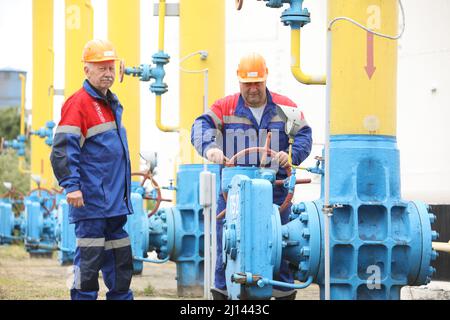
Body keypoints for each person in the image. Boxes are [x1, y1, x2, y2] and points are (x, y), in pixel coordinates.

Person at [191, 52, 312, 300]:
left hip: (276, 195)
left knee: (280, 245)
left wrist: (291, 155)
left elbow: (304, 134)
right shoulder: (224, 107)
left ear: (266, 79)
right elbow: (200, 126)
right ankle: (225, 293)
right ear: (239, 82)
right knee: (229, 244)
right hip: (233, 196)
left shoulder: (284, 107)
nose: (253, 88)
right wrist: (211, 149)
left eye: (258, 82)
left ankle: (281, 293)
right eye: (248, 83)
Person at [50, 39, 134, 300]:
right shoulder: (79, 103)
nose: (108, 73)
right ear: (87, 70)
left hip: (115, 202)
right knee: (87, 263)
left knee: (121, 261)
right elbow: (63, 148)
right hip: (92, 201)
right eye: (101, 68)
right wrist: (71, 186)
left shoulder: (111, 103)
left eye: (111, 68)